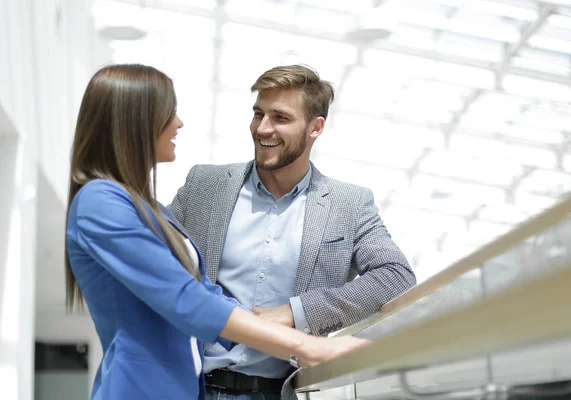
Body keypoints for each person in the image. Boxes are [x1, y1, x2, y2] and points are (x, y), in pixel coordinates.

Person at [64, 64, 368, 400]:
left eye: (280, 117)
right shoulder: (100, 202)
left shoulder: (152, 209)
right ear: (136, 122)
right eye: (169, 112)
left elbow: (207, 293)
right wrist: (304, 345)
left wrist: (296, 328)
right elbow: (185, 299)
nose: (178, 123)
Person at [169, 64, 416, 399]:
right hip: (189, 387)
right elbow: (155, 263)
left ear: (315, 127)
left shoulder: (349, 204)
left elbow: (396, 277)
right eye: (259, 114)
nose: (263, 128)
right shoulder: (204, 186)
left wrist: (296, 312)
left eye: (280, 118)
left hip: (281, 391)